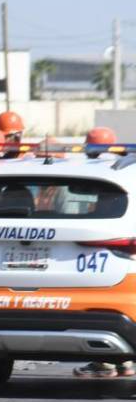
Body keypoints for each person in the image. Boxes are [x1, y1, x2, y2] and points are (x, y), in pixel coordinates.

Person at [74, 126, 133, 378]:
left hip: (99, 250)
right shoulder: (123, 169)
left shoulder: (94, 172)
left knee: (96, 302)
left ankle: (105, 362)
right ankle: (122, 362)